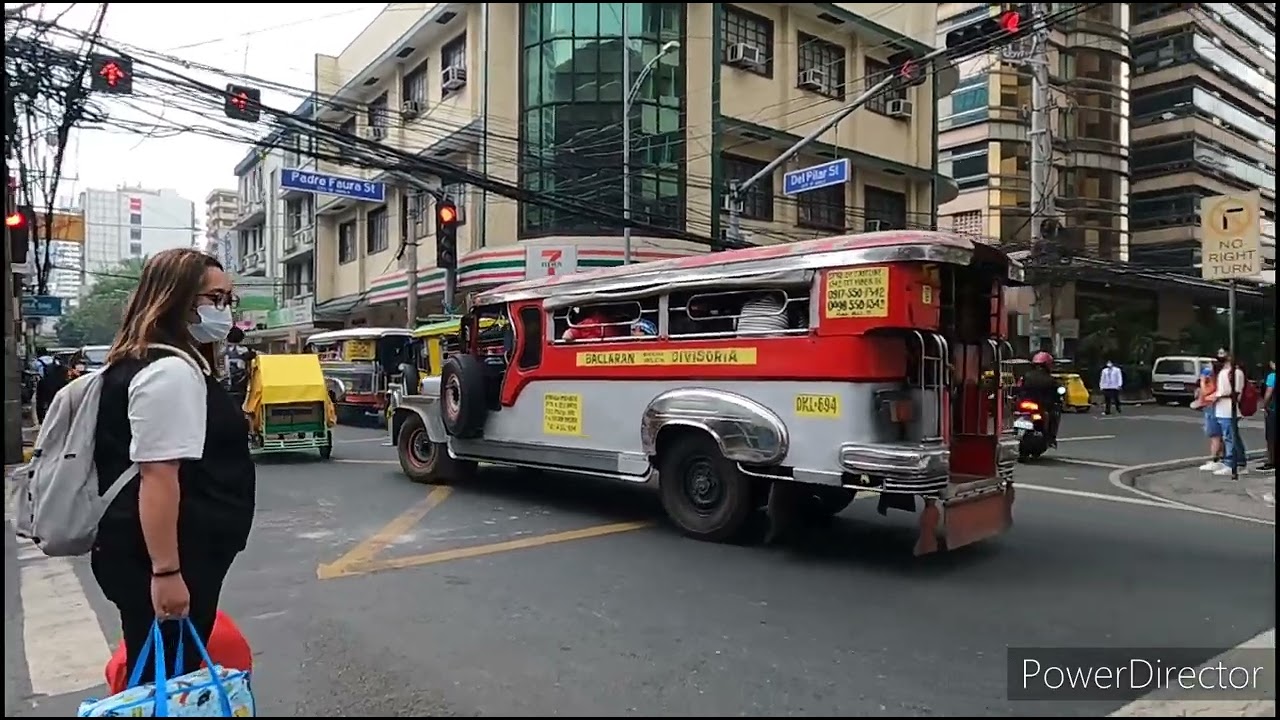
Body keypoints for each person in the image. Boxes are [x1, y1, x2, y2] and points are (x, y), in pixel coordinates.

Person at [91, 247, 256, 684]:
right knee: (168, 682)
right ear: (176, 300)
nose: (224, 311)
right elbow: (158, 476)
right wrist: (167, 572)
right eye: (213, 299)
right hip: (166, 559)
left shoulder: (151, 361)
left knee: (163, 679)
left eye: (227, 300)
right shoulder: (170, 372)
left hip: (159, 554)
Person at [1204, 352, 1247, 477]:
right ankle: (1238, 462)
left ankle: (1231, 463)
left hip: (1229, 409)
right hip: (1222, 409)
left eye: (1223, 353)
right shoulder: (1224, 371)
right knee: (1232, 437)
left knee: (1230, 437)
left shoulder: (1236, 372)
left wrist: (1217, 396)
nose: (1220, 355)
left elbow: (1236, 392)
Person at [1021, 351, 1062, 445]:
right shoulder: (1049, 379)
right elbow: (1056, 391)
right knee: (1054, 414)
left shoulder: (1026, 376)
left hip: (1027, 403)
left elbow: (1019, 388)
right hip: (1041, 404)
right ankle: (1051, 437)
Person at [1195, 362, 1224, 471]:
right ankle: (1221, 458)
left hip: (1212, 407)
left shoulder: (1212, 379)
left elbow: (1206, 392)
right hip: (1217, 407)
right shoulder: (1221, 378)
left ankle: (1215, 460)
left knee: (1215, 435)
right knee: (1220, 436)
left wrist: (1203, 381)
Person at [1262, 358, 1276, 472]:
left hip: (1273, 410)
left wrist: (1265, 405)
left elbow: (1269, 392)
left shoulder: (1272, 376)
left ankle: (1271, 461)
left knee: (1271, 436)